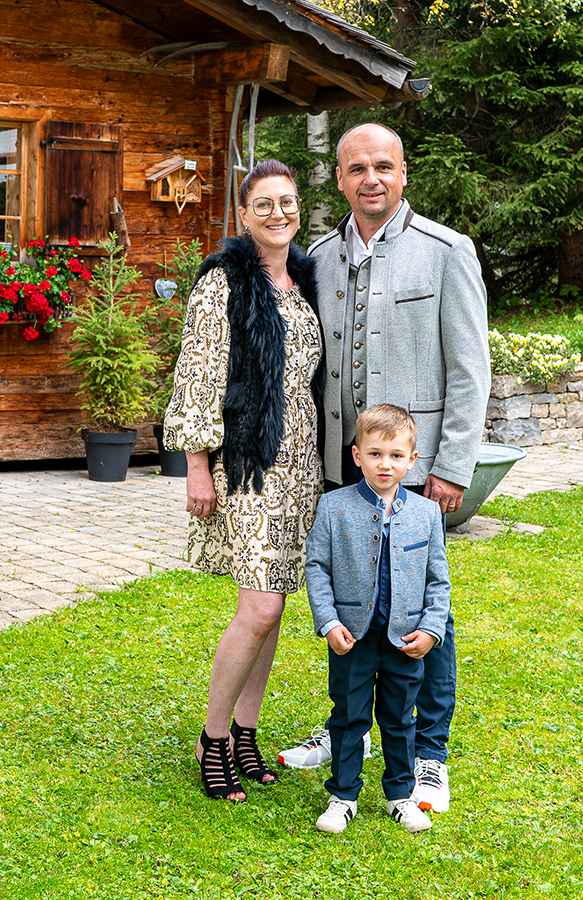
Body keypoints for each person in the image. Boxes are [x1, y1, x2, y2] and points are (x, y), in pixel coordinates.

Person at [278, 122, 490, 814]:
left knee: (430, 612)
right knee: (351, 599)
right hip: (346, 469)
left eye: (384, 167)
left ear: (404, 174)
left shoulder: (445, 251)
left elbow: (470, 371)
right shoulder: (318, 259)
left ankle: (429, 753)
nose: (371, 178)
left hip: (418, 467)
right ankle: (352, 729)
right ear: (338, 178)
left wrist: (451, 464)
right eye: (357, 168)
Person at [163, 159, 324, 802]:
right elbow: (198, 374)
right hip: (247, 463)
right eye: (264, 204)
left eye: (287, 202)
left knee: (275, 604)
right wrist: (197, 466)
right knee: (257, 606)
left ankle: (246, 733)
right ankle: (212, 736)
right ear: (245, 212)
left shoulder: (309, 278)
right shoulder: (223, 282)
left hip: (302, 464)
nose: (278, 214)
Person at [307, 405, 449, 834]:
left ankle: (401, 796)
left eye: (395, 455)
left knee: (400, 719)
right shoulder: (333, 507)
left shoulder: (426, 513)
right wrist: (329, 623)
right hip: (352, 637)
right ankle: (343, 795)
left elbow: (438, 580)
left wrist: (430, 629)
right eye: (374, 454)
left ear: (412, 459)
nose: (384, 464)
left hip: (406, 640)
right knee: (349, 717)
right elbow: (317, 568)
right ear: (356, 456)